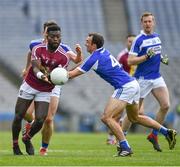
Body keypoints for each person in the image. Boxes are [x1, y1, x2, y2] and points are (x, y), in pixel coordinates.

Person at [67, 32, 177, 156]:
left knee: (106, 117)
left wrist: (53, 76)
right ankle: (167, 132)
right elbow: (81, 64)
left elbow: (72, 75)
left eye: (87, 42)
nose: (85, 44)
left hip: (125, 87)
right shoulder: (103, 52)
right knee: (134, 118)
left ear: (94, 45)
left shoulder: (94, 58)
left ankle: (125, 147)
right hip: (133, 84)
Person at [12, 25, 82, 155]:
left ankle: (32, 141)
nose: (56, 39)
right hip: (31, 84)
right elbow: (34, 65)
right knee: (20, 115)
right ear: (46, 35)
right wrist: (35, 72)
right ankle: (16, 145)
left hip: (48, 87)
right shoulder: (36, 46)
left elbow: (61, 72)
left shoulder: (64, 54)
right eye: (52, 36)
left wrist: (57, 77)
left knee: (44, 119)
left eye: (58, 36)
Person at [122, 12, 170, 152]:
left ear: (153, 22)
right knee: (134, 113)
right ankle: (122, 138)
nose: (148, 24)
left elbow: (155, 52)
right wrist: (145, 57)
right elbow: (130, 60)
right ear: (141, 23)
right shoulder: (138, 40)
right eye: (145, 22)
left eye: (150, 21)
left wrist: (161, 58)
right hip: (142, 79)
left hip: (156, 77)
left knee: (166, 105)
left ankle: (154, 135)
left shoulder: (157, 37)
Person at [106, 34, 136, 145]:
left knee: (137, 114)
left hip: (135, 87)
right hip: (124, 87)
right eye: (129, 41)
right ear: (126, 42)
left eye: (133, 42)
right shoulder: (122, 56)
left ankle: (123, 128)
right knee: (116, 115)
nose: (131, 44)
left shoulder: (139, 55)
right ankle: (110, 137)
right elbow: (117, 71)